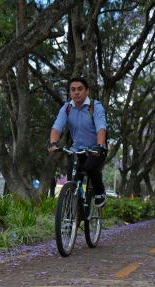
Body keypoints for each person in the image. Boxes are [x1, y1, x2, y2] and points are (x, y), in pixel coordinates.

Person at [48, 76, 108, 209]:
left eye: (80, 89)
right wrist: (53, 143)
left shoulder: (95, 107)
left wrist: (100, 146)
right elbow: (56, 127)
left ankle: (100, 192)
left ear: (87, 91)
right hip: (77, 149)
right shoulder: (67, 108)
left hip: (96, 148)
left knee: (90, 167)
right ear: (70, 92)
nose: (76, 92)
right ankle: (73, 213)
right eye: (73, 89)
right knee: (72, 180)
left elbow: (101, 128)